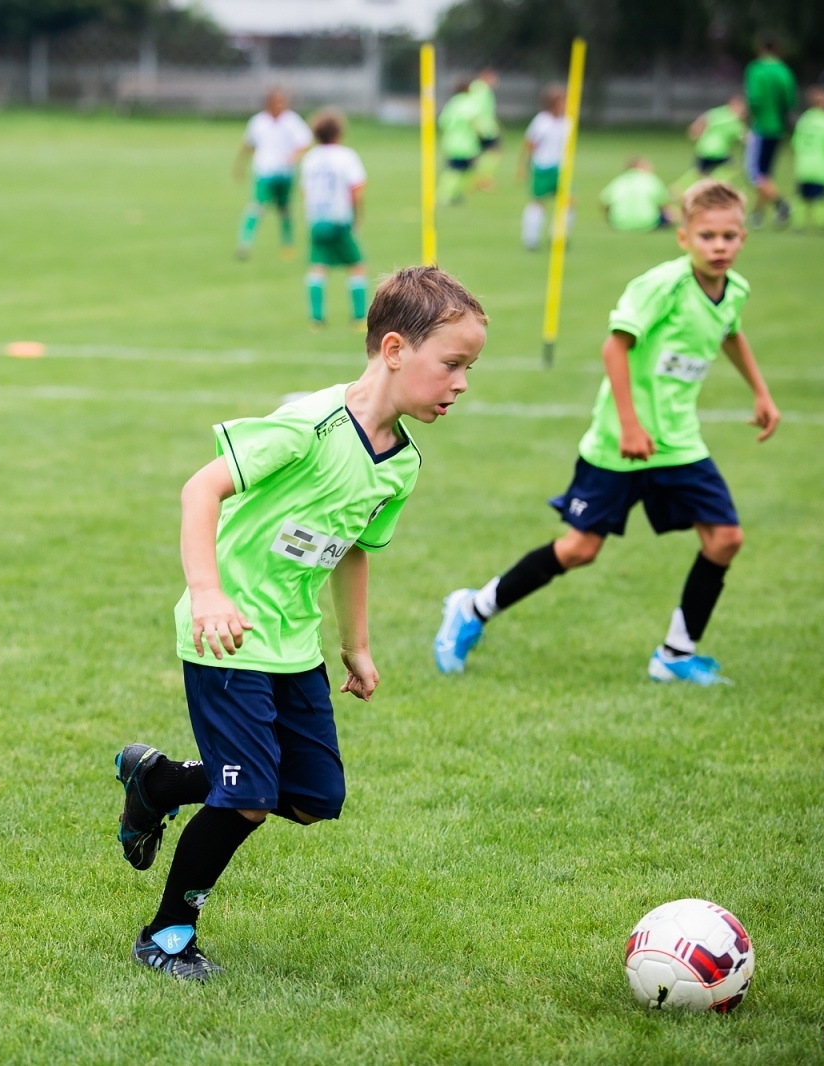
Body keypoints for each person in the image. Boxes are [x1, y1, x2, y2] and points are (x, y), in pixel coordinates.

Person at [112, 266, 488, 980]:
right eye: (453, 365)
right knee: (249, 799)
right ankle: (166, 934)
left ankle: (158, 784)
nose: (462, 384)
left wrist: (358, 646)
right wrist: (209, 592)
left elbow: (353, 552)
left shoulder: (400, 464)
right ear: (395, 349)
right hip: (226, 634)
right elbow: (202, 488)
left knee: (315, 799)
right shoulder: (308, 427)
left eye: (468, 368)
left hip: (293, 643)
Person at [434, 180, 779, 687]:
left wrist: (761, 392)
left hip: (679, 443)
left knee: (725, 538)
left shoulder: (735, 290)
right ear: (683, 237)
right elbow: (614, 349)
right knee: (580, 549)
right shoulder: (661, 286)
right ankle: (473, 608)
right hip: (620, 443)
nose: (719, 246)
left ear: (743, 238)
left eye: (729, 236)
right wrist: (631, 425)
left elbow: (729, 330)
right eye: (707, 236)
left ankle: (675, 655)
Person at [298, 108, 368, 328]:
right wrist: (357, 218)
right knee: (356, 266)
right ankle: (358, 318)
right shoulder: (346, 156)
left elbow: (305, 191)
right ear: (339, 133)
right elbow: (356, 190)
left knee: (317, 267)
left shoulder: (310, 158)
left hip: (317, 220)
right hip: (339, 219)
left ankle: (316, 318)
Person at [233, 88, 314, 261]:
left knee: (284, 210)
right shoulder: (258, 122)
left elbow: (305, 141)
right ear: (269, 103)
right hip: (264, 171)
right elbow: (248, 144)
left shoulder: (292, 121)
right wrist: (240, 165)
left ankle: (287, 246)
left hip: (285, 172)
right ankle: (244, 243)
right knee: (256, 207)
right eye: (277, 102)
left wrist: (294, 156)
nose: (280, 105)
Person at [742, 38, 797, 227]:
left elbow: (754, 98)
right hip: (777, 128)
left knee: (753, 173)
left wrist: (750, 119)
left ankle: (781, 204)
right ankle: (757, 215)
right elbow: (789, 100)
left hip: (761, 127)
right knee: (765, 175)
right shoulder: (784, 71)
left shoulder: (756, 69)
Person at [520, 85, 570, 250]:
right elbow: (530, 144)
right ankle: (531, 238)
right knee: (539, 202)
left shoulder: (567, 121)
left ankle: (558, 236)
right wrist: (524, 166)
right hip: (543, 166)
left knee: (569, 201)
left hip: (561, 168)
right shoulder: (542, 121)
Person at [789, 86, 824, 233]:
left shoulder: (804, 119)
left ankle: (799, 224)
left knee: (802, 196)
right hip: (820, 165)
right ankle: (823, 225)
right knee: (820, 197)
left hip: (803, 164)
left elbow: (794, 144)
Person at [679, 95, 747, 195]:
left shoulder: (718, 112)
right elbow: (744, 137)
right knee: (731, 168)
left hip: (703, 148)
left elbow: (704, 118)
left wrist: (695, 130)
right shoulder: (733, 119)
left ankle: (679, 188)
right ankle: (714, 184)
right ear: (734, 105)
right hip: (718, 151)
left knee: (700, 173)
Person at [437, 78, 481, 205]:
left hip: (450, 141)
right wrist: (480, 135)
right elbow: (473, 121)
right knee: (459, 170)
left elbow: (442, 122)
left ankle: (451, 193)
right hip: (465, 143)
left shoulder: (451, 103)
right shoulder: (469, 103)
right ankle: (447, 194)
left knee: (453, 169)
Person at [600, 158, 674, 231]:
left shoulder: (619, 180)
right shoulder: (651, 179)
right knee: (669, 215)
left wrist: (610, 218)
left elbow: (603, 202)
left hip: (618, 223)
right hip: (647, 222)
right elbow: (663, 204)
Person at [468, 68, 503, 190]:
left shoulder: (477, 89)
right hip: (484, 128)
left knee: (484, 154)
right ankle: (483, 178)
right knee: (492, 153)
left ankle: (481, 178)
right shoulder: (481, 90)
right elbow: (477, 110)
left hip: (485, 126)